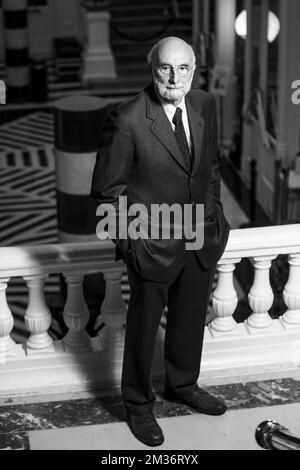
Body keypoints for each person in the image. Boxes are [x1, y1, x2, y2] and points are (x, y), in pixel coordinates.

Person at [91, 36, 230, 447]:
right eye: (165, 68)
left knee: (189, 321)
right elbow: (105, 193)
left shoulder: (205, 104)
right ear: (152, 69)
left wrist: (214, 215)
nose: (174, 77)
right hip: (150, 244)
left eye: (183, 68)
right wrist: (133, 246)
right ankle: (137, 405)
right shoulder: (128, 118)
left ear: (193, 70)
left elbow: (211, 166)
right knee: (142, 329)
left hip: (199, 236)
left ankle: (183, 386)